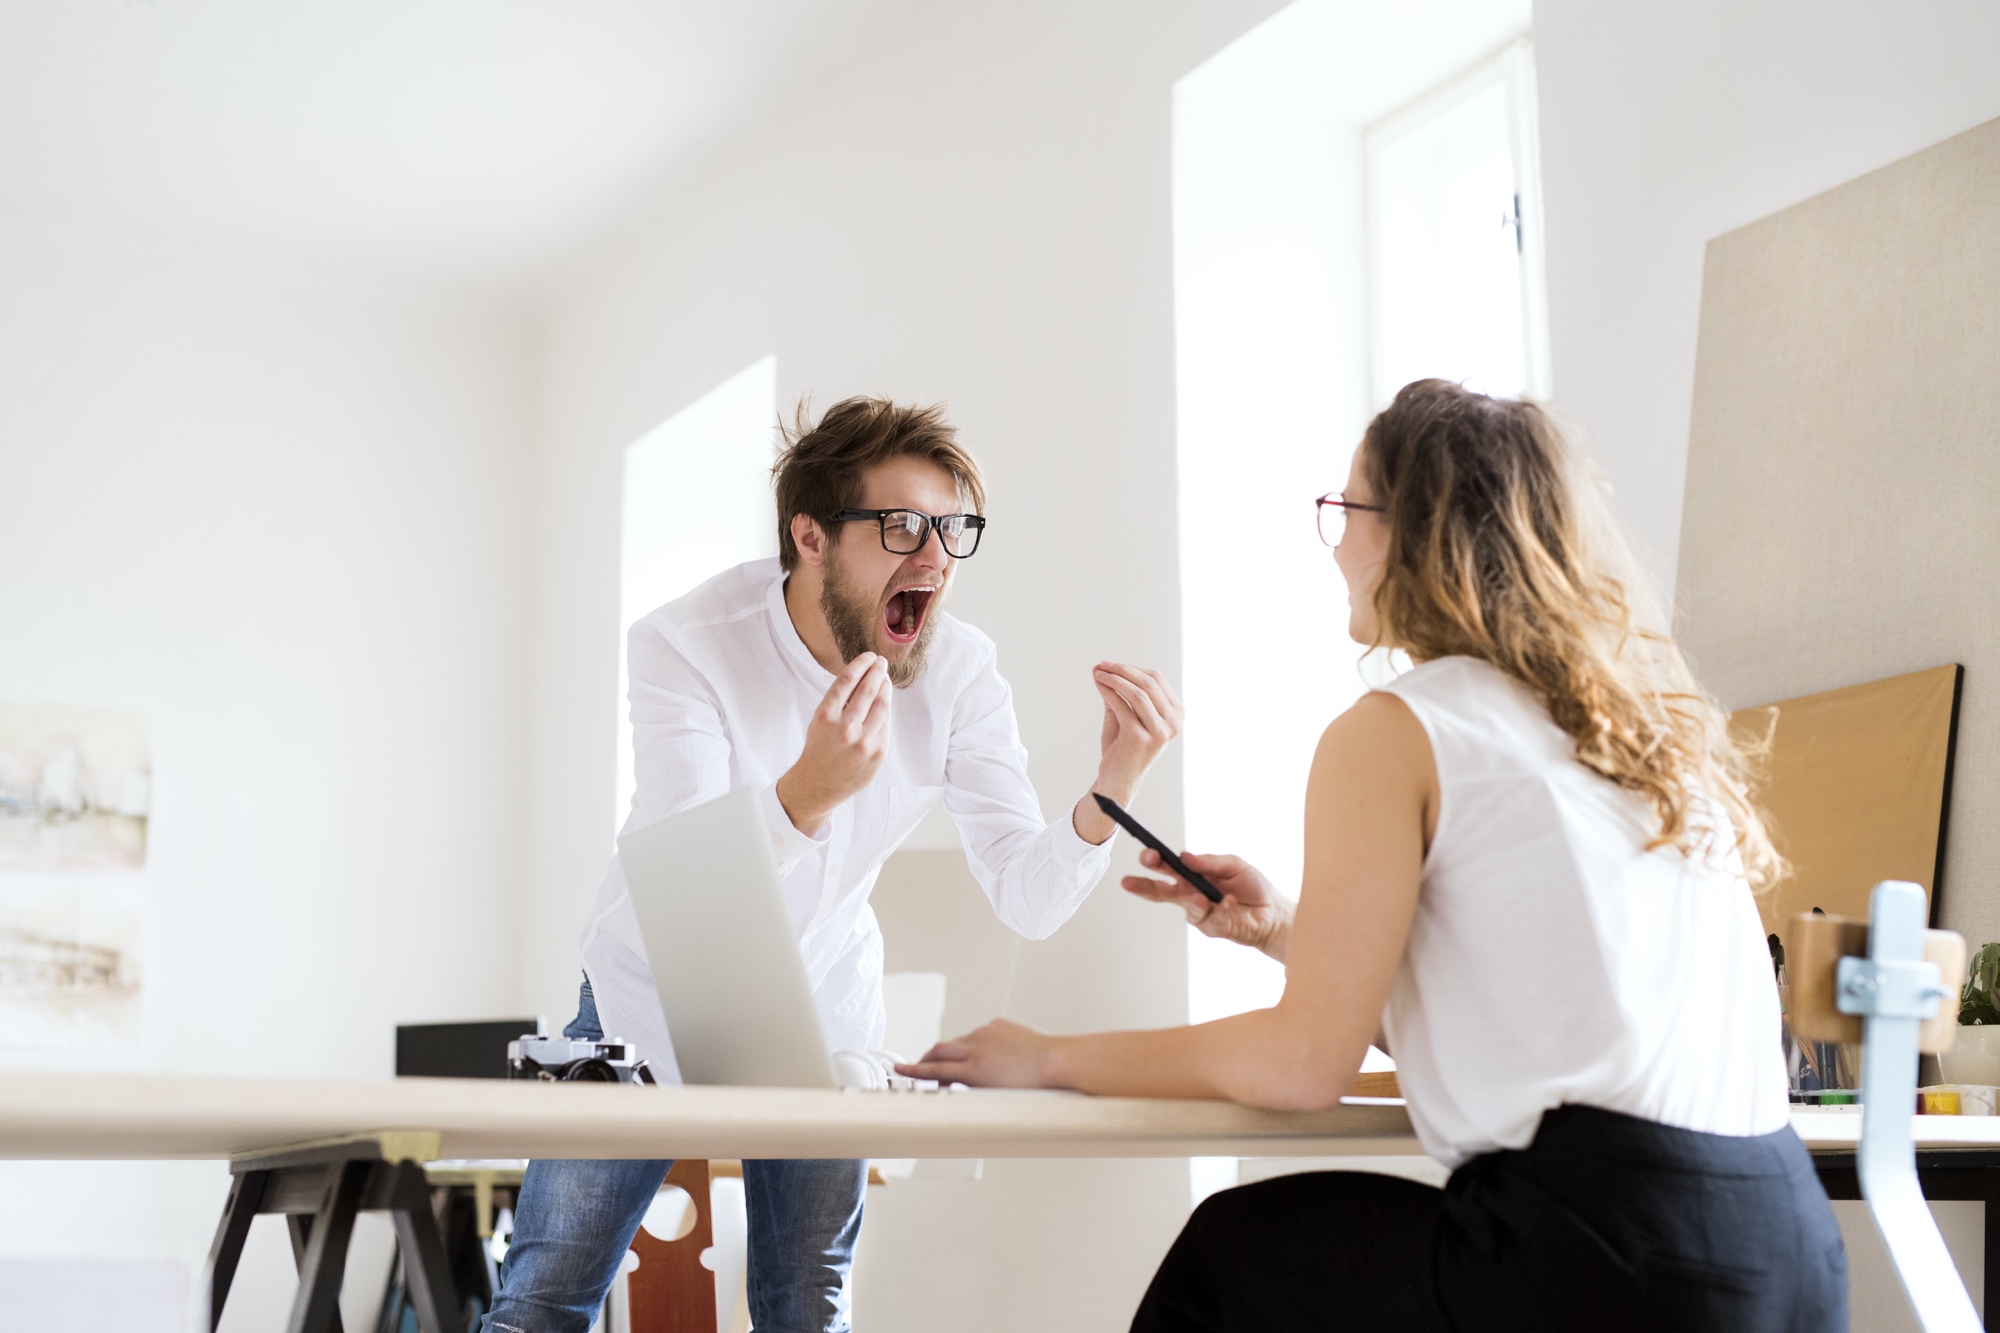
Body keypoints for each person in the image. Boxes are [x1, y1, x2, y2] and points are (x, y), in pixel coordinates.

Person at [900, 380, 1848, 1331]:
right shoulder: (1628, 732)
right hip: (1787, 1249)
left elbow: (1303, 1063)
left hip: (1609, 1261)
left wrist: (1049, 1054)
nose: (1339, 542)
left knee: (1234, 1256)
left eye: (1347, 508)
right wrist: (1290, 936)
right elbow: (1531, 1029)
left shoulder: (1396, 728)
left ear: (1411, 531)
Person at [484, 397, 1183, 1333]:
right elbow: (694, 901)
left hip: (821, 1007)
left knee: (807, 1305)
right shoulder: (684, 646)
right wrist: (802, 796)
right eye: (900, 527)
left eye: (951, 529)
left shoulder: (960, 671)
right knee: (544, 1295)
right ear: (808, 534)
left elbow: (1028, 895)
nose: (934, 557)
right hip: (650, 997)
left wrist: (1113, 784)